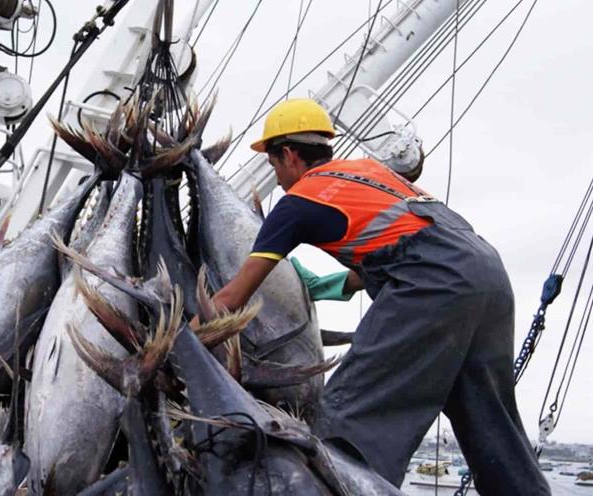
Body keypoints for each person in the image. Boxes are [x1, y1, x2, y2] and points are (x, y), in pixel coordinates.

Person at [212, 98, 549, 494]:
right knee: (490, 422)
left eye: (274, 165)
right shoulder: (368, 172)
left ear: (287, 154)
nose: (279, 179)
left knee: (346, 422)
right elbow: (386, 256)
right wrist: (324, 286)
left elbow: (234, 295)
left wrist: (183, 335)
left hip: (433, 284)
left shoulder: (298, 201)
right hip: (487, 273)